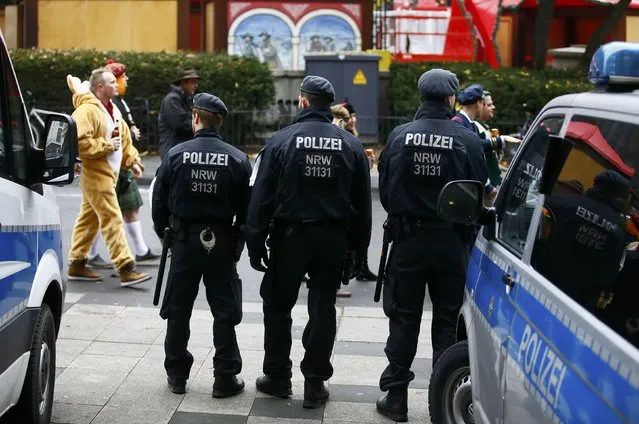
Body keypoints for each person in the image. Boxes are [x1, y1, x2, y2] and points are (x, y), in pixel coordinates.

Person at [247, 76, 372, 409]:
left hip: (290, 238)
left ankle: (277, 376)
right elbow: (362, 204)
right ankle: (315, 382)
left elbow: (261, 199)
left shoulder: (280, 141)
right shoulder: (351, 145)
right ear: (327, 106)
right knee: (322, 307)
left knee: (277, 305)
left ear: (303, 102)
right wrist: (359, 250)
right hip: (333, 238)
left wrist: (255, 242)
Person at [376, 68, 488, 422]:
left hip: (409, 239)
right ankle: (445, 398)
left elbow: (385, 185)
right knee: (446, 322)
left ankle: (396, 398)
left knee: (404, 318)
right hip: (451, 242)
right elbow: (479, 187)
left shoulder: (399, 136)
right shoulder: (468, 140)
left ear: (422, 97)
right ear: (452, 98)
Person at [152, 92, 252, 396]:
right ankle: (224, 376)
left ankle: (177, 375)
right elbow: (247, 209)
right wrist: (238, 238)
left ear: (195, 118)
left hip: (183, 239)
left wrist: (166, 234)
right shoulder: (237, 158)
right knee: (224, 309)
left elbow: (159, 203)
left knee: (179, 308)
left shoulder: (176, 154)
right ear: (219, 121)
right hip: (220, 241)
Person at [66, 69, 151, 286]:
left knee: (90, 219)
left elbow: (123, 140)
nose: (117, 85)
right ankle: (125, 267)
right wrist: (105, 146)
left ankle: (77, 264)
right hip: (95, 174)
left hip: (107, 174)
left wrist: (133, 161)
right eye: (112, 82)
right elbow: (77, 142)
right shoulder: (87, 111)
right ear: (100, 88)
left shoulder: (112, 110)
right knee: (112, 218)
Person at [87, 60, 160, 269]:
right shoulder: (101, 105)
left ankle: (140, 251)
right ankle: (90, 255)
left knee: (129, 208)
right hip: (110, 167)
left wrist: (132, 158)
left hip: (120, 165)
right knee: (104, 212)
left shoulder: (115, 102)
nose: (124, 81)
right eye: (120, 78)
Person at [533, 170, 631, 310]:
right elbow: (611, 273)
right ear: (618, 196)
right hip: (577, 304)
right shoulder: (619, 231)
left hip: (541, 282)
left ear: (596, 185)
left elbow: (531, 218)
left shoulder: (564, 204)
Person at [340, 100, 378, 282]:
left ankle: (361, 266)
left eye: (354, 116)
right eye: (349, 116)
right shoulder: (343, 137)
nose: (353, 120)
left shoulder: (351, 135)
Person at [157, 68, 200, 161]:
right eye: (193, 82)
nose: (196, 86)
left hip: (180, 149)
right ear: (183, 83)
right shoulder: (172, 100)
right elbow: (181, 124)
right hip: (173, 149)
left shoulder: (186, 99)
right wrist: (201, 125)